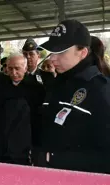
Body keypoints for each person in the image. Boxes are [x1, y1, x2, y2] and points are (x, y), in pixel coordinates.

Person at [33, 19, 110, 174]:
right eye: (52, 51)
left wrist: (53, 158)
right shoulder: (56, 85)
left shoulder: (101, 90)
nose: (52, 58)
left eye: (61, 52)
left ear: (83, 53)